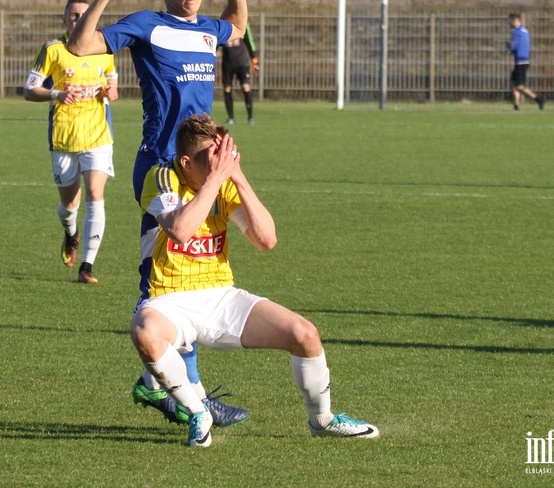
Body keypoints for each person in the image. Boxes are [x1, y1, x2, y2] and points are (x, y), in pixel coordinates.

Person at [67, 0, 249, 426]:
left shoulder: (208, 29)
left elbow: (237, 29)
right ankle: (186, 394)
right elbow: (82, 46)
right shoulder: (148, 24)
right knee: (166, 279)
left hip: (200, 168)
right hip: (161, 168)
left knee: (194, 274)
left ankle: (158, 384)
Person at [130, 113, 379, 447]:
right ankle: (196, 411)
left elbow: (266, 240)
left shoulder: (223, 180)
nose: (219, 162)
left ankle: (323, 420)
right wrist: (216, 180)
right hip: (167, 299)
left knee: (305, 334)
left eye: (223, 154)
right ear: (186, 162)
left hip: (219, 295)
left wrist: (238, 177)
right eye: (210, 158)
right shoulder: (161, 176)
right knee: (144, 332)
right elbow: (181, 230)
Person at [24, 0, 119, 285]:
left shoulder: (105, 49)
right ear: (65, 19)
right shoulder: (52, 50)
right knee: (69, 206)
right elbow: (29, 91)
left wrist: (110, 92)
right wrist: (57, 94)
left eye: (84, 14)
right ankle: (71, 233)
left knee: (95, 194)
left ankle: (87, 266)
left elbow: (112, 81)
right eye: (74, 15)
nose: (79, 19)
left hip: (98, 134)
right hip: (64, 137)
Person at [220, 23, 258, 125]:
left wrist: (254, 58)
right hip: (227, 64)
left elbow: (249, 41)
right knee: (227, 89)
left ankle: (250, 118)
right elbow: (216, 42)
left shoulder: (242, 24)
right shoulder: (223, 26)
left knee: (246, 87)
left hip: (242, 63)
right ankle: (231, 118)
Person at [506, 13, 545, 111]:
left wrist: (509, 49)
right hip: (524, 59)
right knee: (513, 83)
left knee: (519, 85)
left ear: (515, 20)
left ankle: (538, 99)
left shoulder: (516, 31)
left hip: (520, 61)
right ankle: (516, 105)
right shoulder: (525, 30)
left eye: (510, 21)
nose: (508, 23)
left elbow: (515, 45)